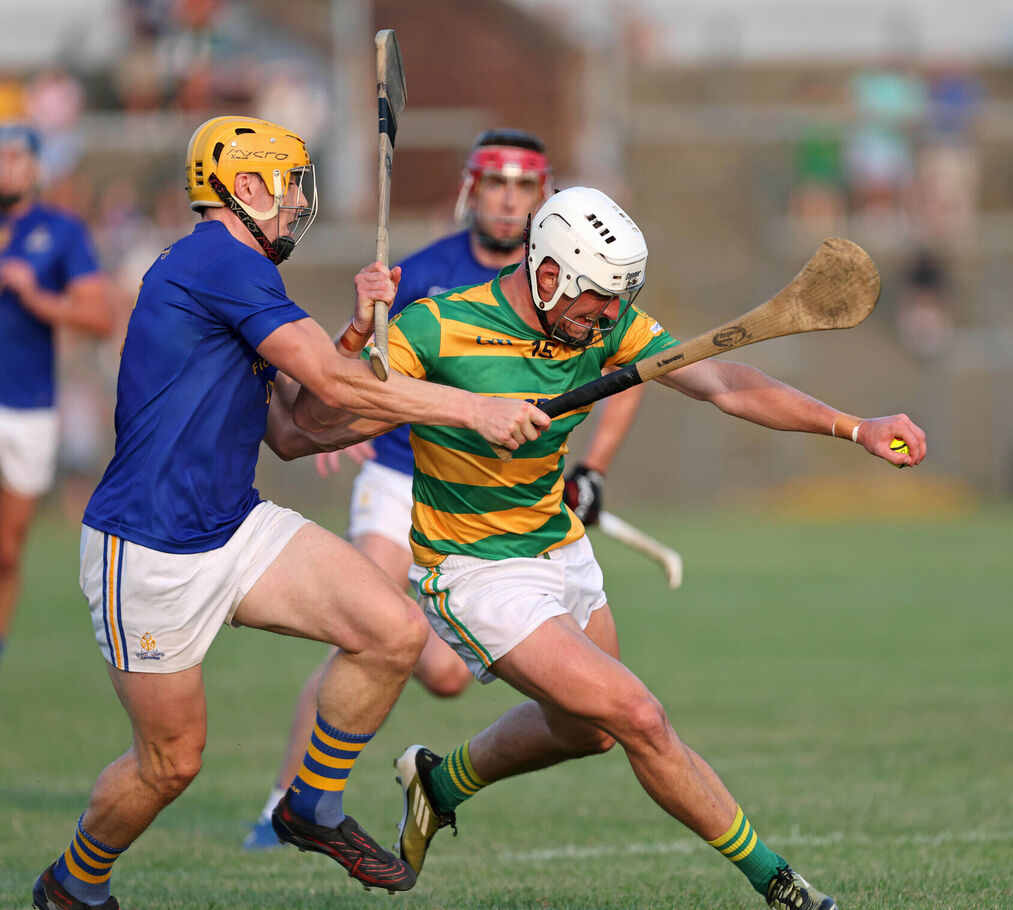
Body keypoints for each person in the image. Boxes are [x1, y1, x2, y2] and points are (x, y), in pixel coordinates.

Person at [292, 186, 926, 910]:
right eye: (599, 300)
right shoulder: (436, 327)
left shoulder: (600, 324)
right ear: (551, 275)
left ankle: (436, 784)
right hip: (475, 573)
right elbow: (306, 426)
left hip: (560, 549)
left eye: (621, 302)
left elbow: (723, 378)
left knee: (588, 733)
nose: (612, 318)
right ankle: (782, 884)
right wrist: (353, 337)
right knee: (639, 717)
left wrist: (853, 426)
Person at [30, 115, 547, 910]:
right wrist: (472, 409)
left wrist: (353, 333)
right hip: (149, 549)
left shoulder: (246, 275)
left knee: (393, 631)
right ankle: (74, 882)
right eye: (289, 184)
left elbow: (296, 430)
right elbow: (336, 394)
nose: (298, 201)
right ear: (245, 187)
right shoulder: (217, 261)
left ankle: (310, 803)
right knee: (170, 764)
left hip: (234, 526)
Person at [241, 127, 646, 848]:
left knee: (447, 678)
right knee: (362, 627)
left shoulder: (575, 289)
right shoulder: (422, 270)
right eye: (496, 183)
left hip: (493, 497)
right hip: (402, 474)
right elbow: (351, 382)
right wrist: (348, 408)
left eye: (524, 187)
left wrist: (593, 467)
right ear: (471, 189)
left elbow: (631, 375)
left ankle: (432, 734)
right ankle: (285, 803)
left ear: (544, 200)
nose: (508, 200)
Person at [0, 121, 114, 671]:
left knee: (7, 549)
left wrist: (36, 296)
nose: (6, 166)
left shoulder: (60, 232)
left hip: (29, 405)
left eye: (16, 156)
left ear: (36, 167)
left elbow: (98, 315)